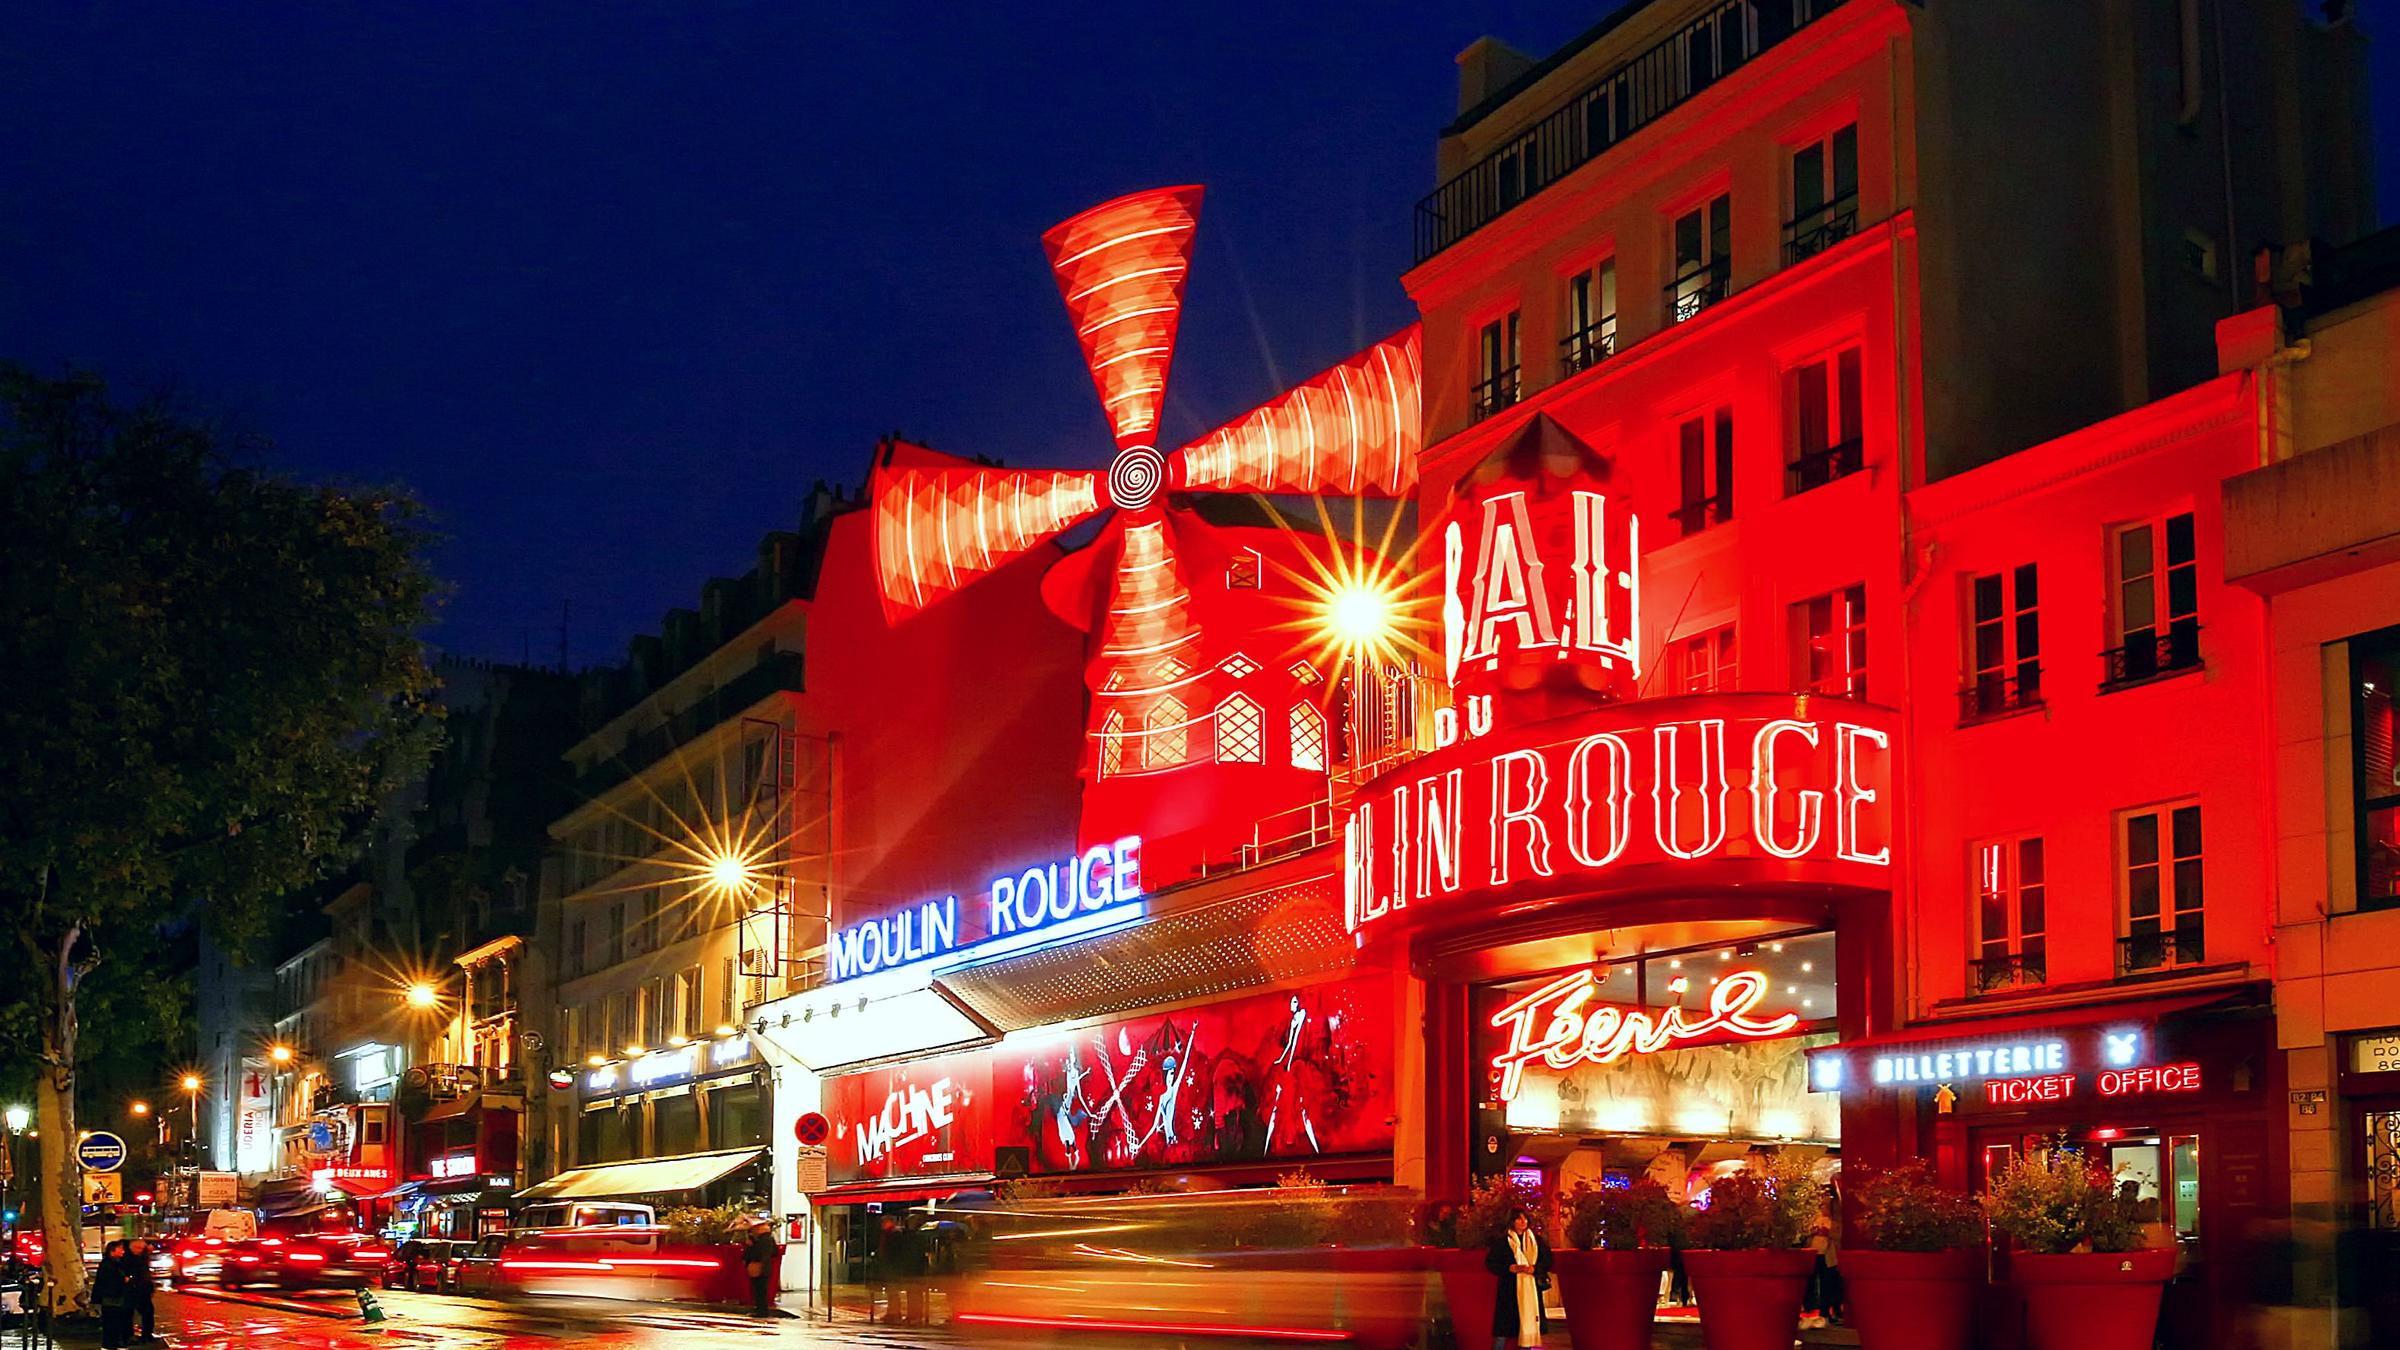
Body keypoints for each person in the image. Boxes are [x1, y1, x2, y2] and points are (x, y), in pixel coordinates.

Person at [1482, 1209, 1550, 1350]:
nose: (1523, 1222)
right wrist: (1509, 1268)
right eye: (1519, 1219)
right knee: (1503, 1330)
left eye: (1525, 1219)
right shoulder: (1502, 1241)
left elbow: (1548, 1260)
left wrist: (1535, 1268)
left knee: (1526, 1326)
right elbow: (1491, 1263)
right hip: (1509, 1291)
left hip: (1530, 1290)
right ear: (1512, 1221)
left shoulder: (1536, 1241)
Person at [93, 1241, 133, 1350]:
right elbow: (107, 1281)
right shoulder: (108, 1265)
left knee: (117, 1320)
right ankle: (110, 1343)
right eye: (120, 1249)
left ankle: (115, 1342)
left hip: (116, 1297)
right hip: (111, 1297)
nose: (123, 1251)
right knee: (111, 1320)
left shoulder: (117, 1263)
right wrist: (123, 1280)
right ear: (112, 1251)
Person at [740, 1218, 779, 1318]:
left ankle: (761, 1311)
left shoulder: (762, 1241)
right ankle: (761, 1310)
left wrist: (751, 1245)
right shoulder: (769, 1239)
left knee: (759, 1291)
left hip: (759, 1267)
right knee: (761, 1291)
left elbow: (757, 1254)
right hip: (765, 1268)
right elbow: (775, 1252)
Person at [124, 1236, 157, 1342]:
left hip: (143, 1289)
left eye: (141, 1248)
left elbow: (145, 1273)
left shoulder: (142, 1257)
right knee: (129, 1313)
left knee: (147, 1312)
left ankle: (147, 1334)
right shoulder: (127, 1258)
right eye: (137, 1248)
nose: (139, 1250)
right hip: (131, 1289)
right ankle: (129, 1335)